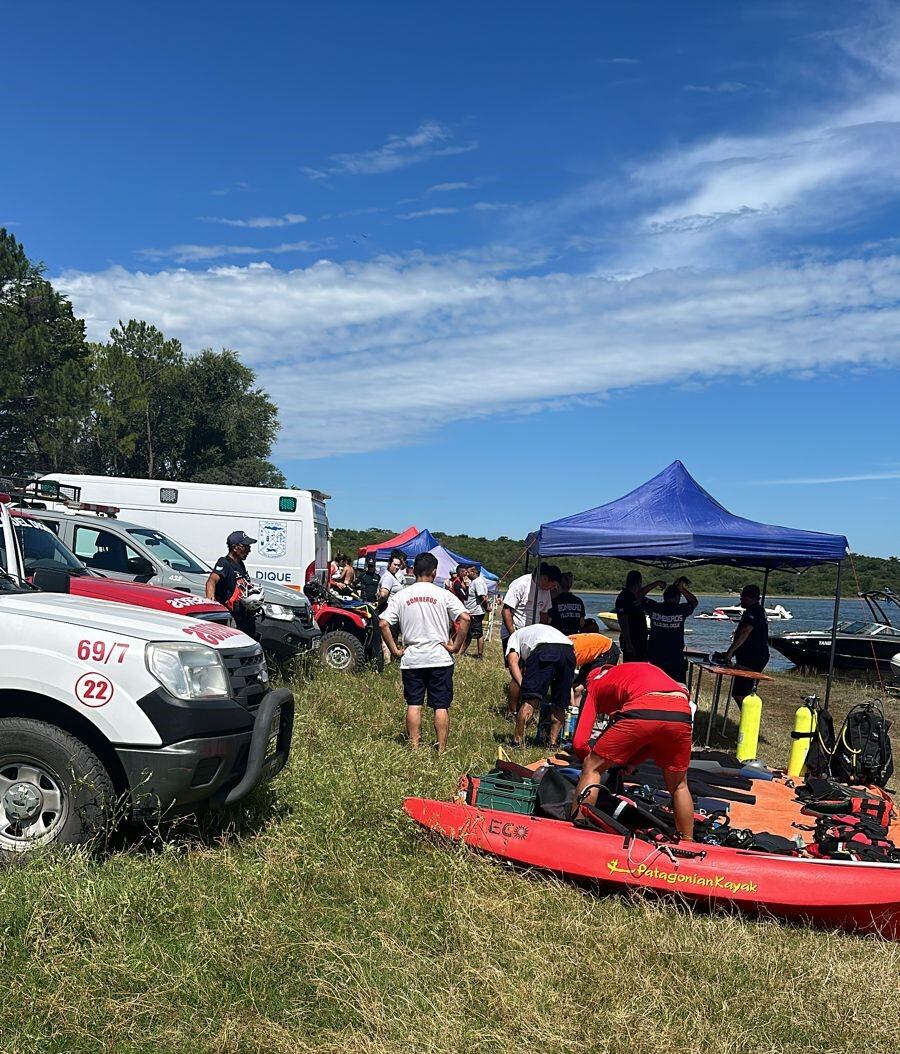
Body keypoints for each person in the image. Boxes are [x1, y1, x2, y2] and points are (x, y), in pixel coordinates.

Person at [570, 662, 694, 840]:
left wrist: (597, 764)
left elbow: (579, 743)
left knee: (592, 767)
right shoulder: (627, 672)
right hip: (681, 711)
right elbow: (654, 734)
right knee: (679, 785)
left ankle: (578, 827)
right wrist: (632, 761)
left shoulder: (594, 684)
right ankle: (688, 842)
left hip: (643, 708)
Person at [379, 551, 470, 753]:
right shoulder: (444, 594)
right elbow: (465, 618)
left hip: (413, 658)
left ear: (414, 570)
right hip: (439, 658)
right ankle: (441, 749)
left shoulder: (402, 595)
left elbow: (384, 623)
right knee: (440, 706)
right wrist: (455, 646)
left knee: (414, 703)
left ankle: (414, 747)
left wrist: (394, 650)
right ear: (434, 572)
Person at [504, 623, 576, 750]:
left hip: (544, 649)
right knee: (560, 703)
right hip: (568, 651)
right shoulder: (541, 629)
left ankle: (516, 742)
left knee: (531, 700)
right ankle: (553, 744)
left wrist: (524, 686)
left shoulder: (515, 636)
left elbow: (512, 663)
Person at [501, 564, 560, 718]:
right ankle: (512, 710)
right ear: (544, 578)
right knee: (517, 671)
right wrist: (513, 634)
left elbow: (544, 613)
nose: (553, 588)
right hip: (515, 633)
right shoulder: (521, 584)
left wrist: (545, 634)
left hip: (534, 637)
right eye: (552, 584)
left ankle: (524, 704)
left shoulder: (545, 591)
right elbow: (506, 610)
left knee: (530, 671)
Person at [644, 576, 698, 683]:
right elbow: (694, 602)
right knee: (676, 685)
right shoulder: (681, 609)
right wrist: (681, 589)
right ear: (677, 598)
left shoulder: (654, 607)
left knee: (654, 684)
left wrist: (656, 583)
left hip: (655, 655)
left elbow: (638, 596)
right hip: (675, 656)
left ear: (664, 596)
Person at [206, 530, 259, 638]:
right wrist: (211, 604)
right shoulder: (224, 563)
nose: (249, 550)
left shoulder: (240, 564)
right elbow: (211, 581)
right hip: (232, 618)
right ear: (235, 548)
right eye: (246, 546)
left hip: (243, 616)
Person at [723, 584, 769, 706]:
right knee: (744, 691)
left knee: (741, 693)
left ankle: (749, 719)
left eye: (741, 597)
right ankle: (748, 718)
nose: (740, 600)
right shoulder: (755, 610)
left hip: (753, 657)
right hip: (750, 655)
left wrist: (730, 651)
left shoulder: (754, 611)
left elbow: (745, 631)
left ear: (748, 597)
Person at [614, 570, 663, 662]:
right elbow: (623, 621)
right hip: (632, 640)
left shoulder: (636, 597)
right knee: (631, 666)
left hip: (640, 639)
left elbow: (642, 596)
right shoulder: (624, 597)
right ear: (639, 582)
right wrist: (628, 642)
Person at [461, 564, 489, 658]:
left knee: (478, 633)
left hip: (476, 612)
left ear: (473, 572)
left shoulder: (478, 582)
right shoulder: (474, 582)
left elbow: (482, 597)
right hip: (471, 611)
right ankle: (461, 652)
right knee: (469, 634)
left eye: (468, 572)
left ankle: (480, 654)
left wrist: (487, 607)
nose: (467, 574)